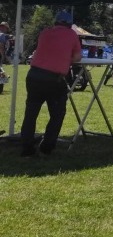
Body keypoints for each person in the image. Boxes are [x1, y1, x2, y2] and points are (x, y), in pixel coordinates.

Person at [20, 10, 82, 156]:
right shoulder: (72, 34)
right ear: (69, 24)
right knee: (57, 113)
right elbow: (78, 57)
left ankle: (27, 147)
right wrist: (66, 59)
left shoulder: (45, 32)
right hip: (54, 79)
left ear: (56, 22)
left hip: (34, 75)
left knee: (31, 113)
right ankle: (47, 146)